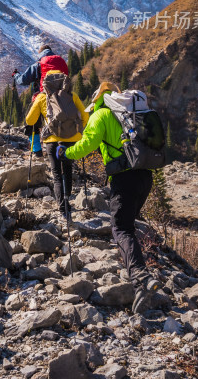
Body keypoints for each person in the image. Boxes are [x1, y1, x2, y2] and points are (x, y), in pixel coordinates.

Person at [61, 81, 160, 313]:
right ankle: (142, 270)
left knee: (121, 229)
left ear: (96, 100)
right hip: (145, 175)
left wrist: (66, 153)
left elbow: (87, 144)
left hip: (124, 178)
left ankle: (141, 279)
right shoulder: (131, 112)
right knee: (129, 226)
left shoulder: (102, 114)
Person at [25, 70, 89, 218]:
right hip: (71, 138)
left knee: (56, 175)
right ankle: (68, 202)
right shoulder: (71, 95)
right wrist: (78, 129)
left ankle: (63, 209)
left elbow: (29, 120)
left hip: (51, 140)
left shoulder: (42, 97)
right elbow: (85, 115)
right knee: (67, 170)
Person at [13, 43, 69, 159]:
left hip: (42, 97)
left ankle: (37, 152)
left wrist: (16, 75)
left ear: (41, 53)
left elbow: (23, 80)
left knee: (31, 124)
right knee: (57, 124)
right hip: (61, 99)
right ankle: (61, 153)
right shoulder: (61, 62)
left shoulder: (38, 64)